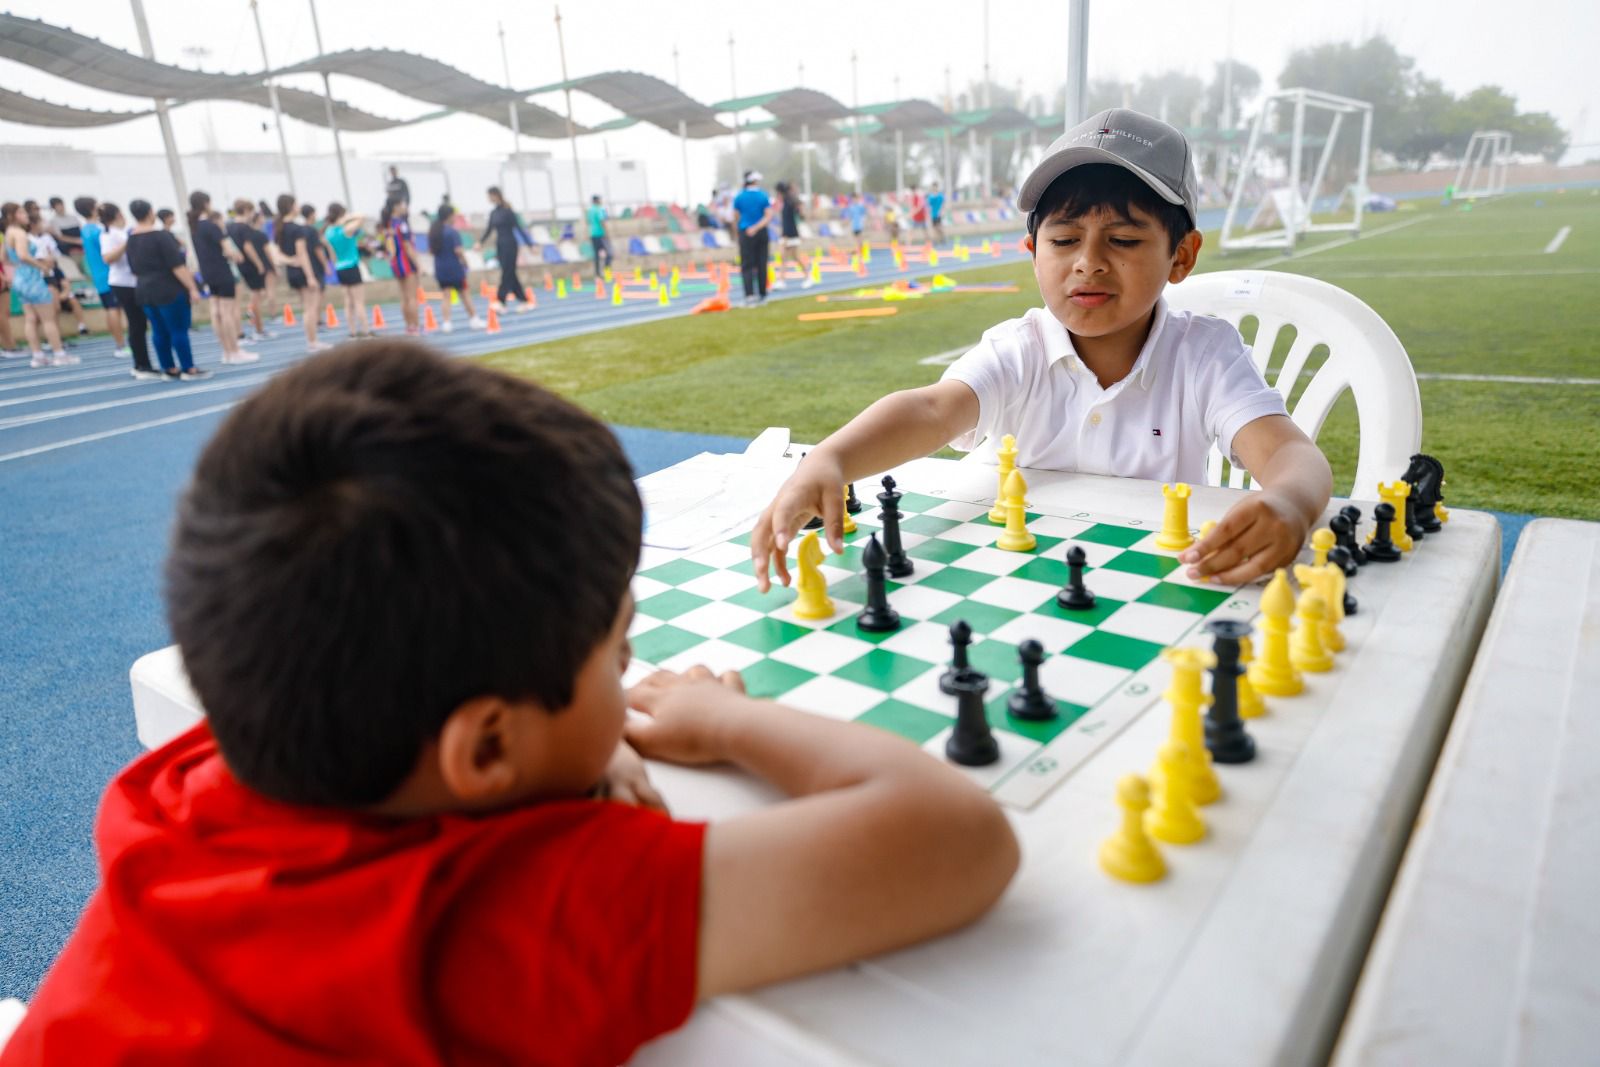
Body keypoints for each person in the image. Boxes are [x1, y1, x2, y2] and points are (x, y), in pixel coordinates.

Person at [3, 341, 1017, 1064]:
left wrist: (563, 750)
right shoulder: (504, 919)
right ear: (485, 747)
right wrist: (724, 719)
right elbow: (956, 837)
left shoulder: (186, 782)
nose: (628, 680)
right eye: (615, 654)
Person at [750, 109, 1333, 592]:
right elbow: (931, 410)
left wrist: (1289, 503)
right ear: (1033, 250)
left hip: (1157, 583)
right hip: (1017, 586)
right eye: (1063, 239)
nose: (1088, 261)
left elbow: (1291, 455)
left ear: (1181, 256)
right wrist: (828, 459)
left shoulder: (1204, 354)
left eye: (1124, 240)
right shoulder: (1017, 350)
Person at [125, 198, 208, 380]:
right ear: (150, 213)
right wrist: (192, 288)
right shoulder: (161, 236)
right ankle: (188, 368)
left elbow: (133, 268)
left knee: (158, 330)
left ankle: (168, 368)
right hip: (168, 289)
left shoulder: (131, 239)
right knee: (178, 329)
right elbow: (177, 266)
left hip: (144, 290)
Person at [188, 191, 257, 366]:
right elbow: (228, 250)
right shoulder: (211, 226)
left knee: (217, 313)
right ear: (206, 204)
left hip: (208, 274)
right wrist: (236, 255)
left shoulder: (194, 227)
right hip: (221, 271)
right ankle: (234, 351)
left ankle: (226, 351)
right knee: (226, 313)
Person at [97, 203, 162, 380]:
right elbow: (108, 258)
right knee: (136, 323)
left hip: (133, 281)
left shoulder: (121, 231)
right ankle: (141, 365)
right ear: (118, 214)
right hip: (123, 282)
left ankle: (144, 363)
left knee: (140, 323)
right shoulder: (108, 234)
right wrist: (127, 243)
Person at [3, 202, 70, 367]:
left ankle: (38, 355)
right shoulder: (18, 233)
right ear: (13, 215)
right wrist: (42, 266)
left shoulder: (8, 233)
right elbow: (23, 255)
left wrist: (19, 266)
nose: (26, 216)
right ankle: (59, 354)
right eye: (21, 213)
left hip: (19, 277)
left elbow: (4, 258)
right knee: (48, 318)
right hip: (32, 278)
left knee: (31, 318)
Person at [76, 196, 130, 357]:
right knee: (114, 309)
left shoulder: (86, 229)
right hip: (108, 274)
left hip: (99, 275)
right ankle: (121, 345)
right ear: (92, 208)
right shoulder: (97, 231)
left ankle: (119, 343)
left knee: (110, 309)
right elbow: (110, 251)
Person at [275, 194, 327, 353]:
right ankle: (312, 341)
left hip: (292, 272)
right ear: (291, 206)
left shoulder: (280, 227)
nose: (298, 207)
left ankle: (312, 341)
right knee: (310, 308)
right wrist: (310, 276)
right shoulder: (296, 229)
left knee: (307, 308)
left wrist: (290, 261)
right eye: (296, 204)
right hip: (303, 272)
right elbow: (302, 253)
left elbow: (277, 253)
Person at [428, 204, 482, 332]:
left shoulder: (434, 232)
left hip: (440, 268)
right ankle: (474, 319)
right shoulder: (452, 232)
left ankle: (447, 323)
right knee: (464, 294)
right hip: (454, 267)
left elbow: (431, 251)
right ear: (449, 216)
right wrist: (465, 263)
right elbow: (458, 251)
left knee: (446, 296)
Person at [322, 202, 372, 339]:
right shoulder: (346, 229)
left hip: (339, 268)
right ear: (341, 214)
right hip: (352, 266)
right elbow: (362, 217)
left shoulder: (328, 232)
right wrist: (347, 218)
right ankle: (366, 331)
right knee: (358, 302)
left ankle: (352, 332)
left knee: (347, 302)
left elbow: (332, 255)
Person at [228, 199, 275, 343]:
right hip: (249, 265)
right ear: (247, 211)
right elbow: (248, 247)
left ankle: (248, 329)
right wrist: (259, 263)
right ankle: (258, 329)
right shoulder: (244, 228)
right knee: (257, 296)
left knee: (248, 298)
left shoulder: (229, 226)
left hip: (238, 266)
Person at [481, 186, 532, 311]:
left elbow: (518, 228)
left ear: (495, 195)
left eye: (489, 195)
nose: (488, 198)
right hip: (500, 245)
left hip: (510, 244)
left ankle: (501, 300)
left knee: (507, 272)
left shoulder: (508, 211)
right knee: (510, 273)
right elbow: (489, 230)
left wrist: (530, 244)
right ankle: (524, 300)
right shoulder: (493, 213)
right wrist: (480, 242)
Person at [733, 170, 775, 308]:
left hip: (745, 233)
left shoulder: (739, 197)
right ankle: (763, 295)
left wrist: (744, 230)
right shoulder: (763, 196)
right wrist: (757, 227)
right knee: (761, 264)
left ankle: (749, 296)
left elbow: (736, 217)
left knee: (747, 265)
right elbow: (768, 215)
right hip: (761, 232)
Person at [380, 197, 421, 335]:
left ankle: (409, 326)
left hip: (395, 263)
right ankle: (415, 326)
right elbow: (407, 246)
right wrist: (418, 264)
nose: (404, 206)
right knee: (411, 297)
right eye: (402, 204)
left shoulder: (387, 224)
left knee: (404, 297)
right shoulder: (401, 224)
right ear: (395, 207)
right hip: (406, 263)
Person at [769, 181, 813, 291]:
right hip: (787, 233)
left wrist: (786, 235)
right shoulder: (786, 202)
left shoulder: (790, 202)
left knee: (790, 257)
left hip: (791, 234)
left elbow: (795, 219)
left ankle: (806, 277)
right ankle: (783, 280)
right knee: (788, 257)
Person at [586, 194, 613, 280]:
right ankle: (607, 273)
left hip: (593, 235)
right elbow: (602, 222)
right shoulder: (600, 209)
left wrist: (588, 234)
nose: (601, 201)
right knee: (609, 254)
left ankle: (597, 275)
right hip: (601, 234)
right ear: (597, 201)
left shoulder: (590, 211)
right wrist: (607, 233)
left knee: (596, 255)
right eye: (600, 200)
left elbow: (588, 223)